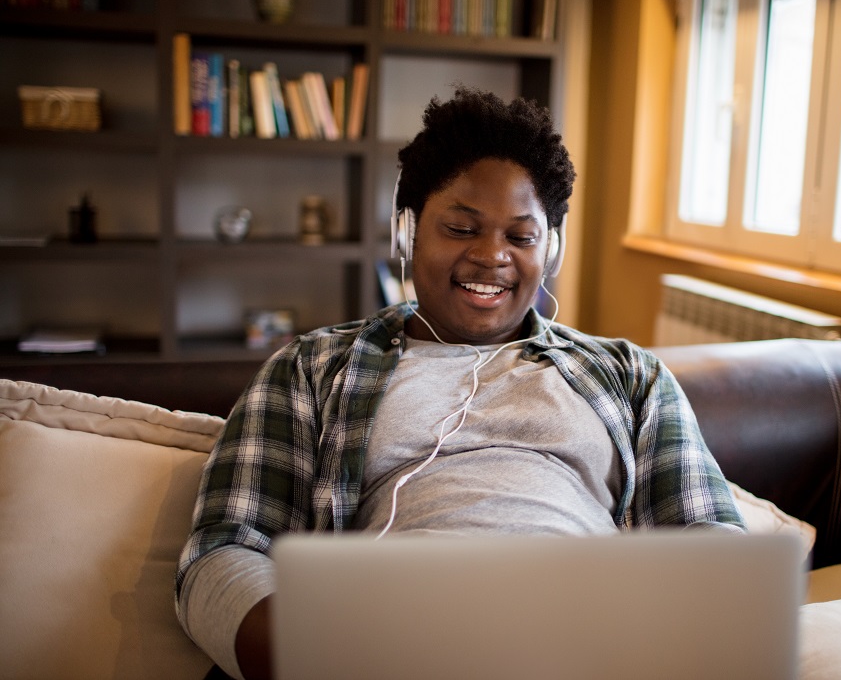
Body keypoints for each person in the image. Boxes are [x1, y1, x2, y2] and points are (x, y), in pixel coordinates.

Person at [175, 86, 745, 680]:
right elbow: (222, 553)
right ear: (408, 232)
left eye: (521, 237)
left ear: (552, 248)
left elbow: (711, 537)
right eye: (461, 227)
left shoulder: (631, 377)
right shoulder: (312, 369)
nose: (492, 257)